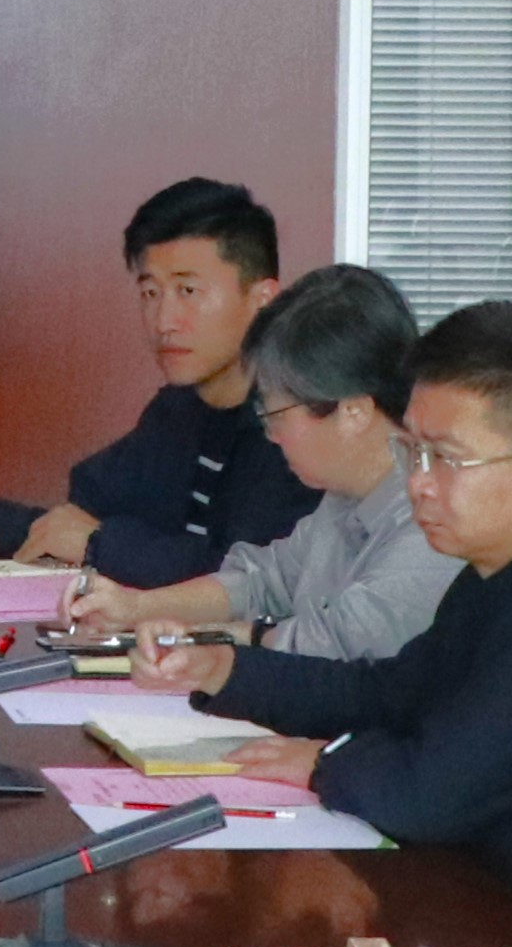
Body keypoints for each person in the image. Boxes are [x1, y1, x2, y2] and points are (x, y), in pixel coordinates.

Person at [162, 298, 512, 924]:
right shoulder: (507, 570)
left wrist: (324, 764)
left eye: (447, 459)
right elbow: (393, 693)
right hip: (488, 897)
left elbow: (427, 792)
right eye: (413, 453)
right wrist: (228, 670)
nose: (418, 484)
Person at [0, 177, 317, 587]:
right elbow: (85, 511)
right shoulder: (177, 411)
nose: (164, 321)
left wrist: (98, 544)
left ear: (263, 299)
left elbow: (249, 577)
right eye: (150, 293)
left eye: (188, 290)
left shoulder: (302, 424)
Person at [64, 264, 454, 669]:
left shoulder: (434, 516)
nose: (272, 436)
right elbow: (264, 580)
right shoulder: (349, 494)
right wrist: (137, 608)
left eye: (276, 415)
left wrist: (204, 641)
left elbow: (340, 642)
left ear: (353, 411)